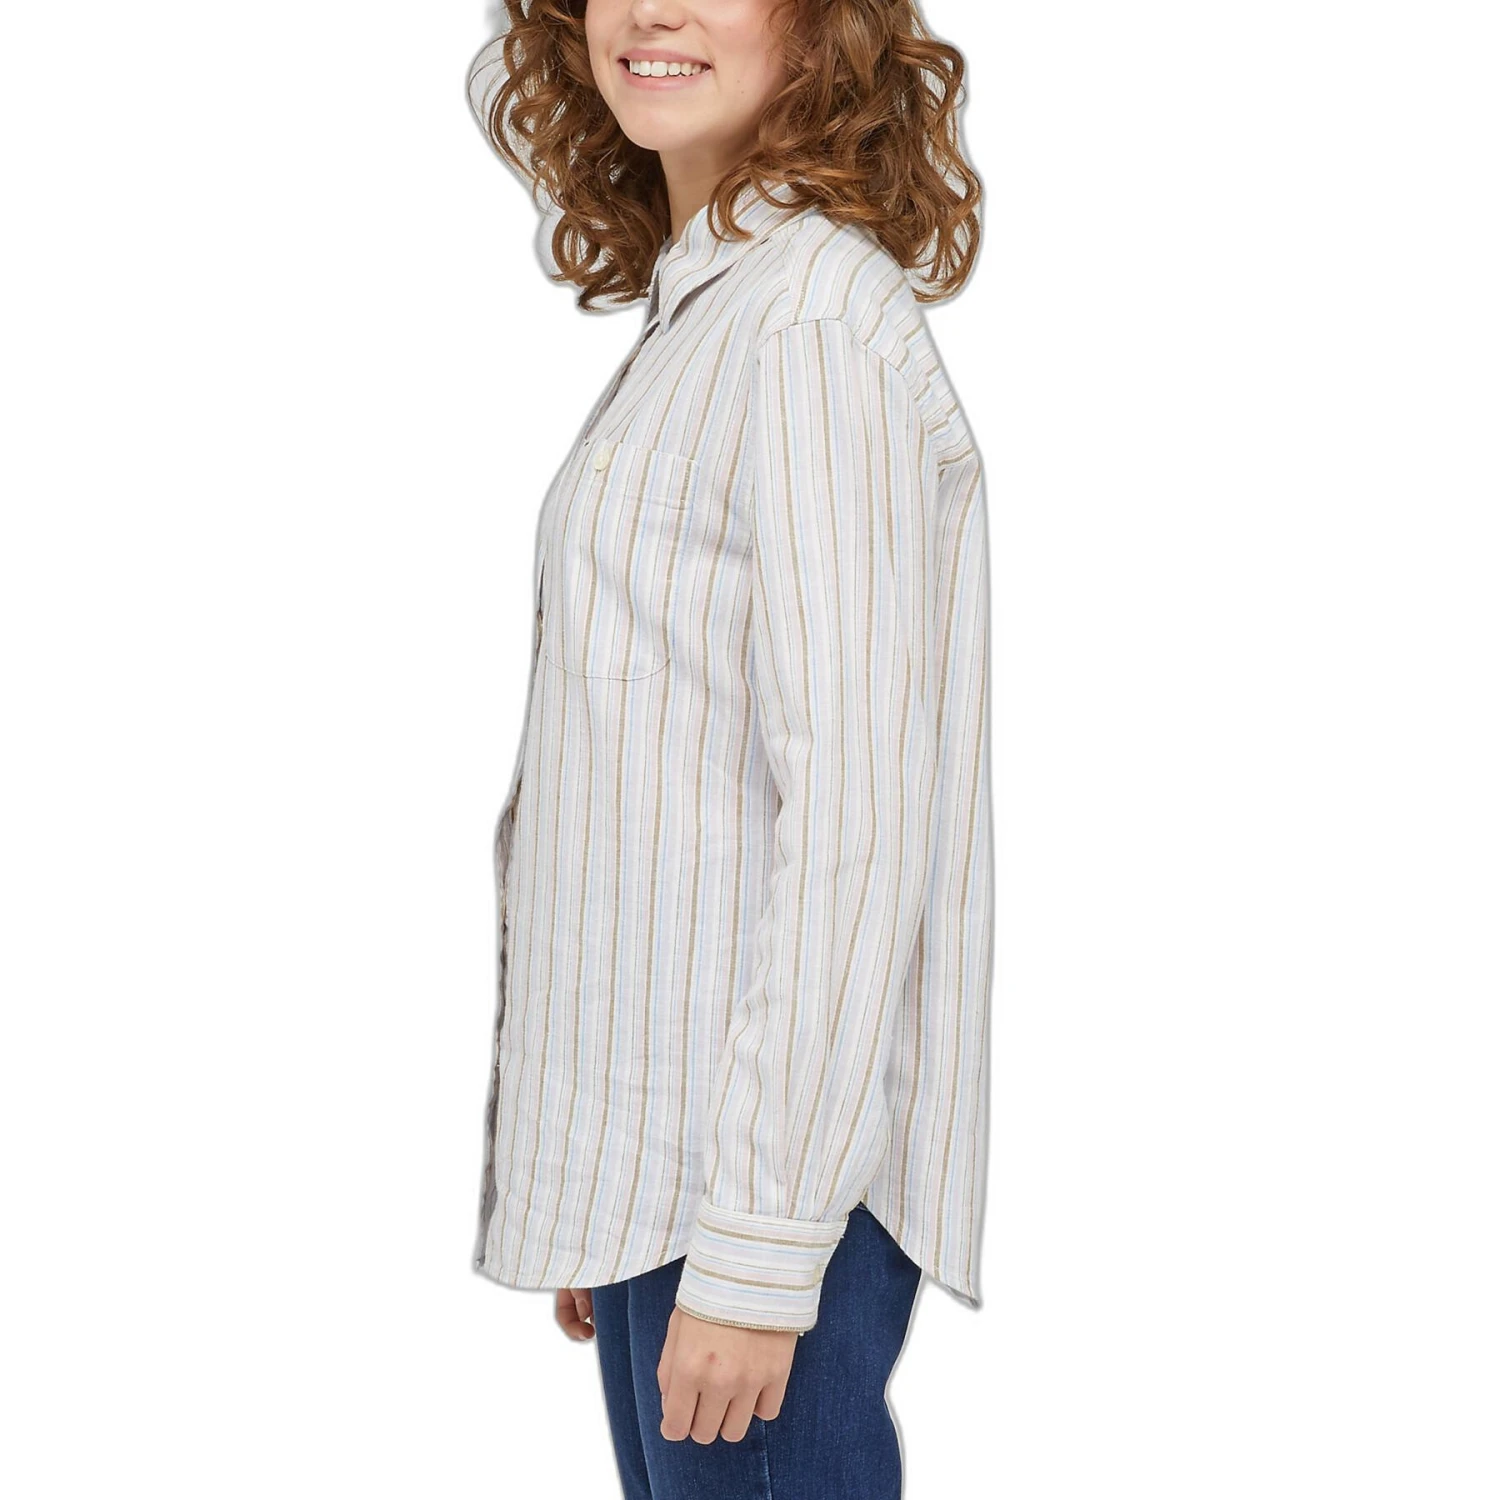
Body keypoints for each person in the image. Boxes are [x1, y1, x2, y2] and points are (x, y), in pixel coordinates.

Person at [465, 3, 991, 1494]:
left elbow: (854, 821)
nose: (653, 7)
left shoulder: (809, 322)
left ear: (825, 29)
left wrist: (757, 1250)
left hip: (763, 1202)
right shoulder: (719, 306)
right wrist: (608, 1192)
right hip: (681, 1185)